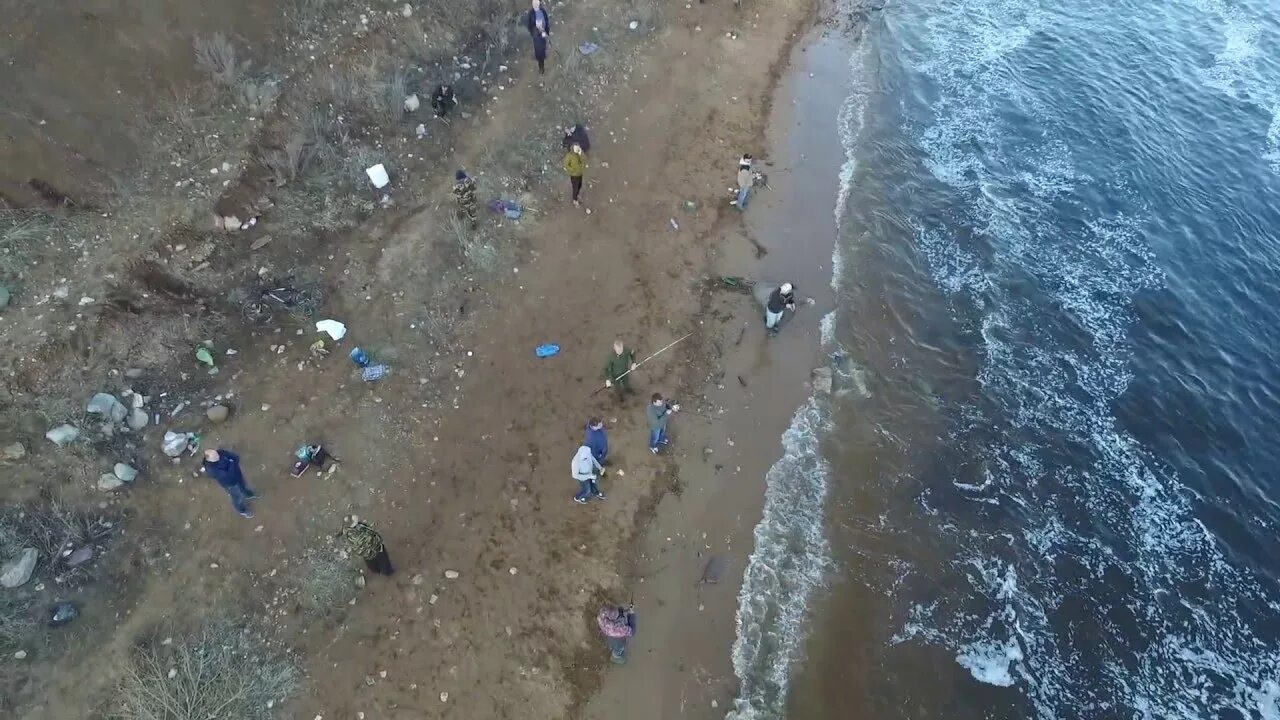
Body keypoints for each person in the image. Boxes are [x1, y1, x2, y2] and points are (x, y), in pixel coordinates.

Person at [202, 448, 258, 519]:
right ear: (210, 460)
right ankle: (242, 510)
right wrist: (232, 463)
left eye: (216, 454)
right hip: (230, 484)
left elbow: (234, 456)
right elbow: (228, 475)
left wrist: (233, 461)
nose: (218, 456)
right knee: (237, 497)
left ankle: (248, 494)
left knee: (243, 484)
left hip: (237, 474)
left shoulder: (219, 452)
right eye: (215, 457)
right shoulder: (212, 470)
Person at [526, 0, 551, 75]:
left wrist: (546, 31)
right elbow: (529, 24)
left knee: (542, 48)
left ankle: (541, 64)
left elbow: (546, 21)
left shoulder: (542, 11)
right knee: (538, 48)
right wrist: (532, 31)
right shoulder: (531, 13)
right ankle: (540, 64)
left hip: (542, 32)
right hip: (536, 33)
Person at [563, 143, 586, 207]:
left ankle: (577, 195)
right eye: (575, 148)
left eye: (578, 148)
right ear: (573, 148)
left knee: (580, 185)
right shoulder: (569, 155)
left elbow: (584, 160)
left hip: (580, 173)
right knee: (575, 187)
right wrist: (572, 170)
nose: (576, 149)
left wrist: (581, 153)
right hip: (574, 175)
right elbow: (565, 165)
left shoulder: (579, 154)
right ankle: (575, 200)